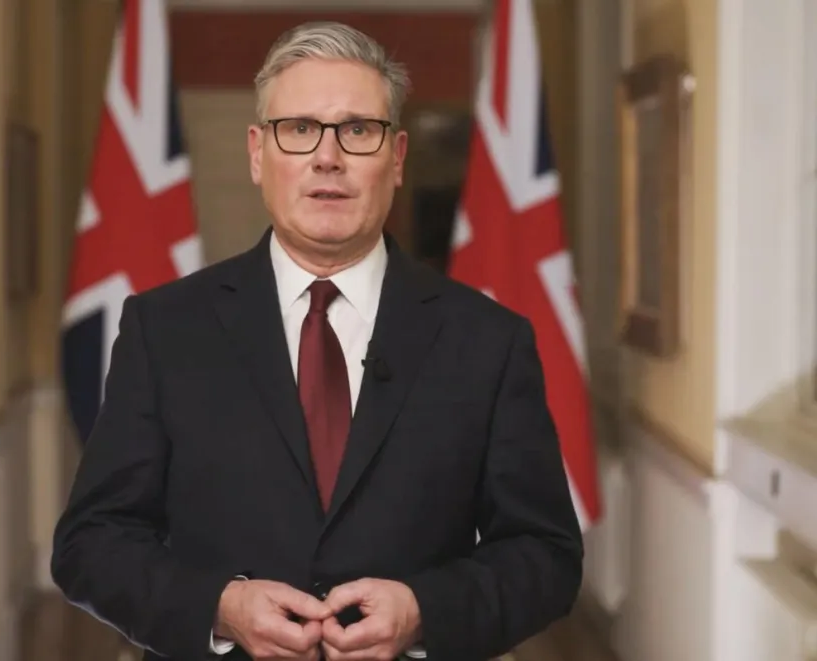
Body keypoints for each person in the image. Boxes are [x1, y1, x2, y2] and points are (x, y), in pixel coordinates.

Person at [51, 20, 583, 661]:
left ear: (397, 158)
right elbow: (91, 545)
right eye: (299, 129)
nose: (327, 157)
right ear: (257, 154)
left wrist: (425, 611)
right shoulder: (163, 329)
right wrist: (219, 608)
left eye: (357, 130)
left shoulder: (489, 341)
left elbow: (545, 556)